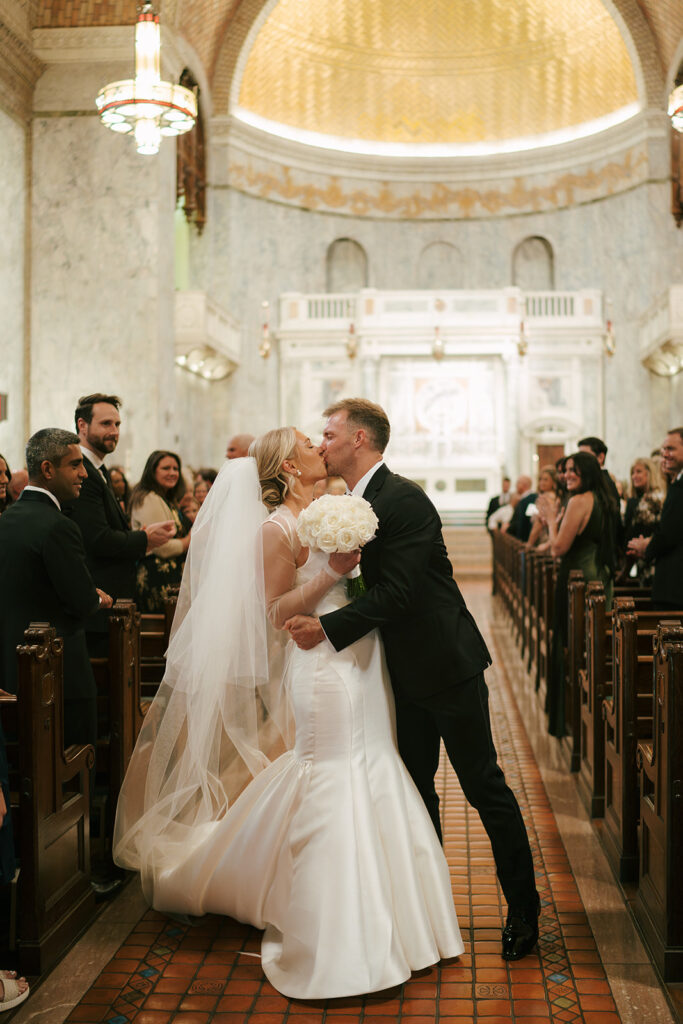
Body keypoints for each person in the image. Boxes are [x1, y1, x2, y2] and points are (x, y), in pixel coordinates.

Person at [114, 428, 464, 998]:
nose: (317, 445)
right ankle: (336, 930)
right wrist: (332, 572)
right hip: (321, 665)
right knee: (333, 772)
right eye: (307, 441)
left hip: (364, 658)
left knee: (374, 761)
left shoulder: (336, 509)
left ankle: (401, 918)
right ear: (287, 465)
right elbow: (276, 612)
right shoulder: (274, 529)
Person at [287, 399, 539, 961]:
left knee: (483, 786)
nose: (320, 442)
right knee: (415, 789)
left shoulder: (402, 498)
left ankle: (524, 911)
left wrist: (326, 629)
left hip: (445, 665)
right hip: (397, 671)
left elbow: (398, 593)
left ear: (358, 439)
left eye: (328, 434)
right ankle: (432, 908)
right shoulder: (349, 501)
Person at [67, 394, 176, 657]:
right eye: (106, 423)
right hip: (98, 600)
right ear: (82, 426)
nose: (114, 431)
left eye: (117, 424)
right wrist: (144, 538)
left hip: (112, 602)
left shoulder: (99, 470)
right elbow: (97, 539)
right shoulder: (84, 473)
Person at [537, 451, 618, 737]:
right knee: (592, 647)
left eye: (573, 470)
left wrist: (550, 519)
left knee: (572, 645)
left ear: (586, 473)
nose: (567, 475)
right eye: (566, 470)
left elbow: (558, 547)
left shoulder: (579, 501)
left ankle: (568, 719)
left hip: (577, 580)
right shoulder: (603, 499)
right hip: (598, 577)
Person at [627, 428, 683, 610]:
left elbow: (669, 534)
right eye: (663, 450)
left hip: (674, 584)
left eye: (670, 449)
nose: (664, 454)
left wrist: (646, 548)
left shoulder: (679, 487)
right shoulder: (676, 484)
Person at [129, 451, 191, 613]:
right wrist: (189, 540)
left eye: (176, 469)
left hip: (168, 576)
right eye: (166, 468)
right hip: (157, 578)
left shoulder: (164, 498)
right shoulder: (149, 498)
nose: (172, 473)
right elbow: (161, 547)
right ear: (152, 471)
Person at [620, 457, 665, 585]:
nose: (634, 476)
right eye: (632, 473)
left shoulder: (652, 500)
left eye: (639, 472)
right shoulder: (640, 500)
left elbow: (633, 537)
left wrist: (624, 571)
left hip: (652, 564)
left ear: (649, 474)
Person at [525, 465, 558, 550]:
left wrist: (529, 544)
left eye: (545, 480)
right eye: (540, 479)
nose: (542, 483)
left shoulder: (544, 498)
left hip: (544, 540)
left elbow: (538, 525)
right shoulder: (556, 497)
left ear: (554, 482)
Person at [506, 475, 537, 542]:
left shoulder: (529, 500)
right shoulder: (525, 499)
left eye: (517, 483)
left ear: (524, 485)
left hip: (524, 539)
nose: (516, 486)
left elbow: (526, 522)